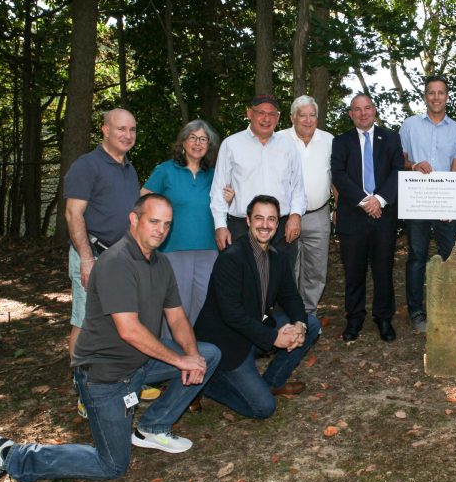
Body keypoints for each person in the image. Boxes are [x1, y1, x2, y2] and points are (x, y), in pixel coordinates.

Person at [0, 194, 221, 482]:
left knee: (208, 354)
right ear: (134, 219)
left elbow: (177, 317)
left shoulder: (161, 263)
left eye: (166, 224)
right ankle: (12, 454)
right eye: (154, 221)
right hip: (106, 376)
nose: (160, 230)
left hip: (142, 362)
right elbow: (128, 330)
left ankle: (153, 426)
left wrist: (190, 355)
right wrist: (180, 360)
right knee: (112, 465)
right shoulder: (117, 261)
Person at [194, 196, 321, 417]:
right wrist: (274, 338)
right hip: (227, 342)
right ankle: (209, 384)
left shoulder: (277, 257)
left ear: (277, 223)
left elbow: (291, 296)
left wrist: (299, 325)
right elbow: (232, 315)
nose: (265, 225)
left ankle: (271, 382)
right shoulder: (231, 258)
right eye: (259, 218)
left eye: (271, 219)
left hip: (255, 328)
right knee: (263, 408)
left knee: (311, 323)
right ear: (248, 221)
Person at [63, 108, 140, 359]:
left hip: (122, 258)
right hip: (93, 255)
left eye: (132, 129)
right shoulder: (86, 166)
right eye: (121, 129)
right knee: (86, 321)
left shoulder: (129, 169)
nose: (127, 135)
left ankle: (121, 380)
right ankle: (82, 388)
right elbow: (73, 214)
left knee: (122, 320)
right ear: (105, 130)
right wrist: (87, 259)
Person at [331, 93, 404, 343]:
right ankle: (354, 318)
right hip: (352, 216)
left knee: (383, 269)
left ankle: (383, 318)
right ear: (351, 114)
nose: (363, 113)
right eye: (357, 109)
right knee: (354, 270)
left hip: (384, 214)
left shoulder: (391, 138)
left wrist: (379, 200)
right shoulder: (341, 142)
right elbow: (338, 175)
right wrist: (365, 202)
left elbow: (398, 170)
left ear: (374, 110)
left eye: (367, 108)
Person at [141, 120, 221, 336]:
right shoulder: (165, 170)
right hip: (173, 248)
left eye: (203, 139)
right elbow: (143, 203)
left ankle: (196, 353)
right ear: (183, 142)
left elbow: (224, 206)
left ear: (209, 145)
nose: (197, 143)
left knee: (203, 303)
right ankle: (169, 357)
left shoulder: (214, 174)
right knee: (176, 305)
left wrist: (230, 198)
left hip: (208, 248)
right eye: (192, 138)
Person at [399, 76, 456, 332]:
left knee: (450, 256)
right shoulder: (410, 126)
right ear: (425, 96)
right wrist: (414, 165)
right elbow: (400, 161)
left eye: (441, 93)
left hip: (445, 204)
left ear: (447, 96)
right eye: (431, 93)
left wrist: (454, 206)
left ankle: (448, 308)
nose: (436, 97)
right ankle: (417, 312)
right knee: (416, 256)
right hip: (416, 201)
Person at [210, 94, 306, 271]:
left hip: (281, 229)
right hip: (241, 228)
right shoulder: (231, 144)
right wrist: (220, 226)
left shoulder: (289, 147)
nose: (266, 118)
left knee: (282, 285)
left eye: (272, 114)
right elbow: (218, 190)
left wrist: (295, 216)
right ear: (249, 113)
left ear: (278, 118)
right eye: (261, 112)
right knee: (242, 282)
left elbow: (298, 188)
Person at [276, 96, 333, 315]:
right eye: (303, 115)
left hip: (319, 213)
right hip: (286, 216)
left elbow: (335, 177)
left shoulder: (329, 140)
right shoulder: (279, 139)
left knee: (316, 269)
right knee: (288, 268)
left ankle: (309, 314)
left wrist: (339, 209)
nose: (308, 120)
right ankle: (289, 315)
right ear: (293, 117)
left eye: (312, 115)